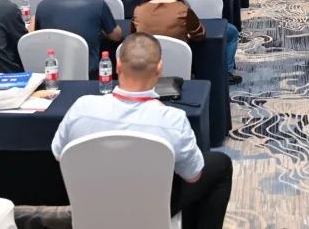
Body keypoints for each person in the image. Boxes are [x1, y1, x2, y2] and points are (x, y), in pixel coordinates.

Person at [51, 32, 233, 228]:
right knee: (220, 164)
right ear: (160, 69)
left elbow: (59, 154)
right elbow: (193, 175)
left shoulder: (81, 108)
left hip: (92, 205)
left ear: (117, 66)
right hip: (151, 209)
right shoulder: (172, 120)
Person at [133, 0, 241, 84]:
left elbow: (133, 37)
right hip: (180, 71)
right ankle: (227, 74)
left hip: (143, 71)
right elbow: (200, 35)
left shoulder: (139, 10)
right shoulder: (183, 10)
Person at [35, 0, 122, 76]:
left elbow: (37, 36)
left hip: (51, 72)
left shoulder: (43, 5)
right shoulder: (98, 5)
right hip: (89, 74)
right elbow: (116, 36)